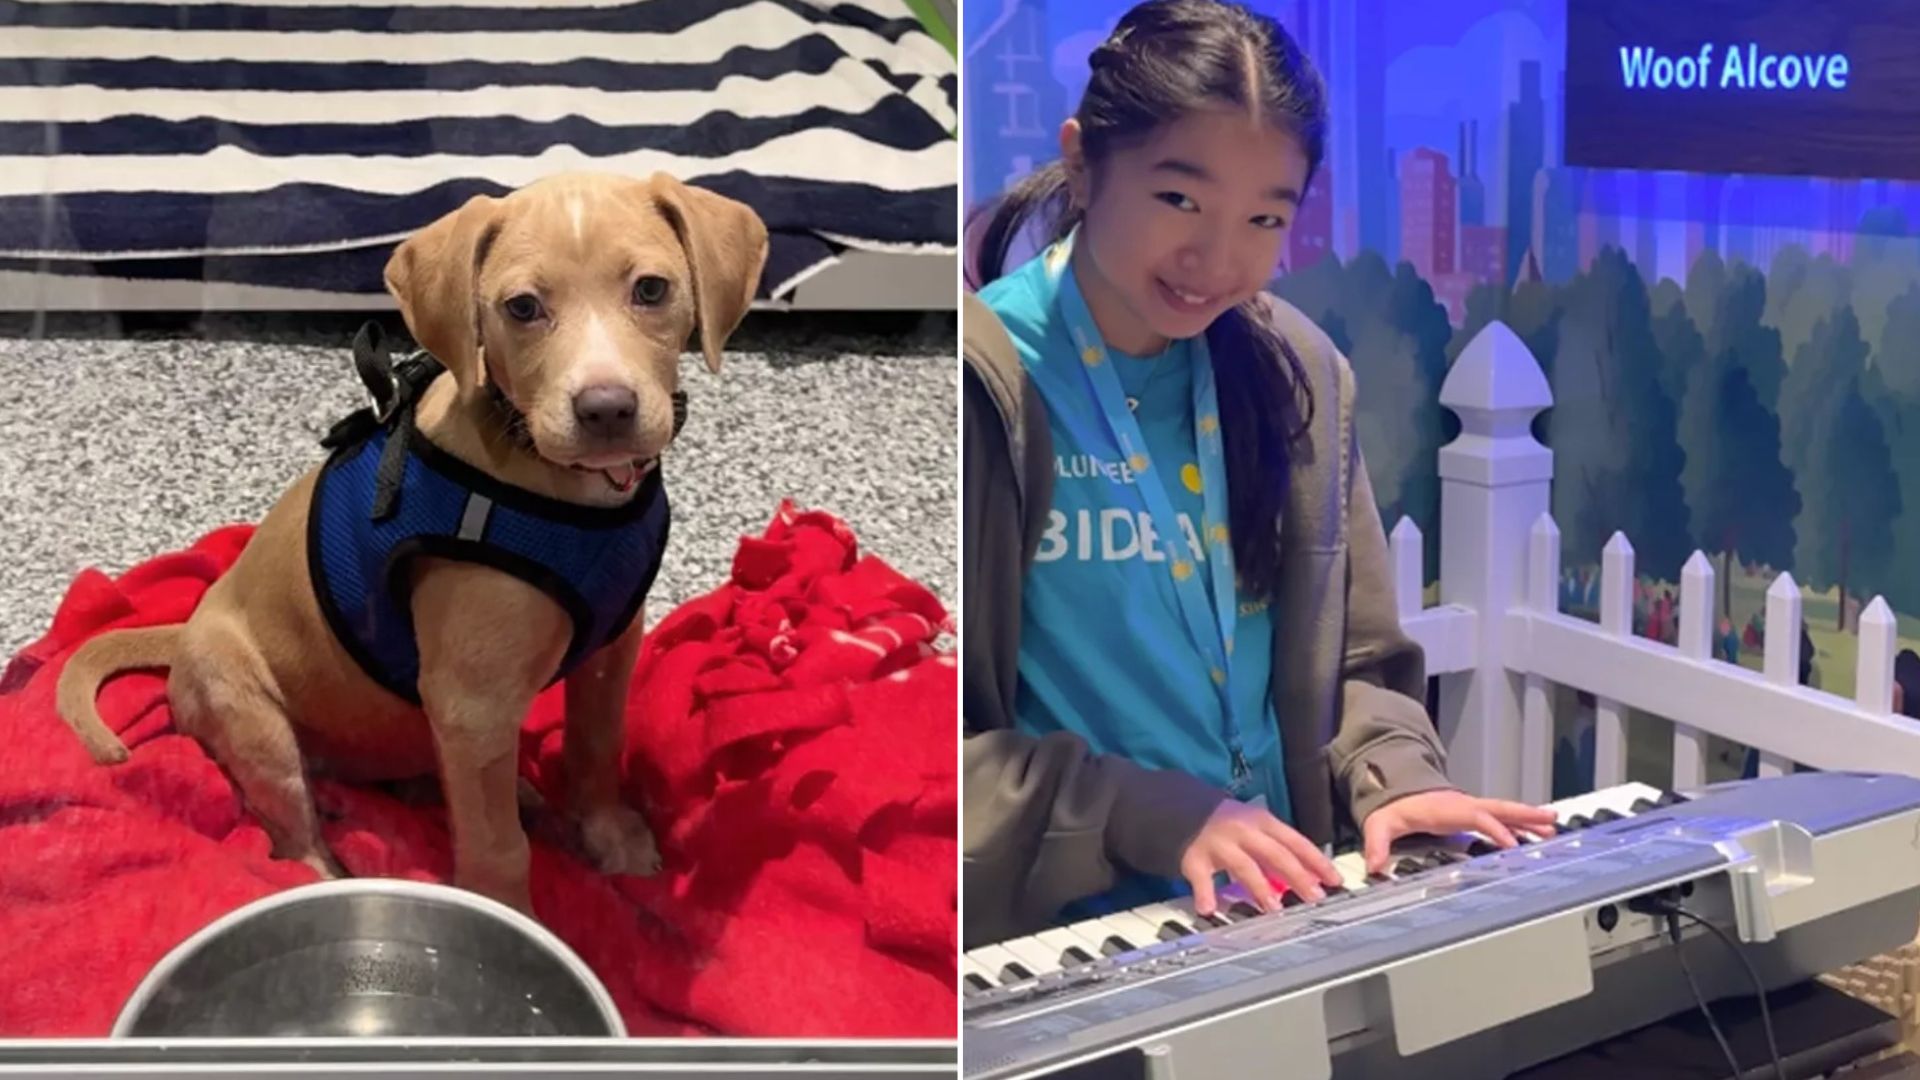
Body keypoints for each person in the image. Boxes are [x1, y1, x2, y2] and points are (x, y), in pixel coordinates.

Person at [959, 0, 1554, 948]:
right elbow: (931, 756)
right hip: (1063, 945)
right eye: (1179, 200)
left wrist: (1402, 776)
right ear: (1082, 160)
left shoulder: (1300, 371)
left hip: (1277, 916)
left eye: (1264, 218)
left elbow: (1358, 660)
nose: (1217, 260)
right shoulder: (982, 381)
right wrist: (1156, 814)